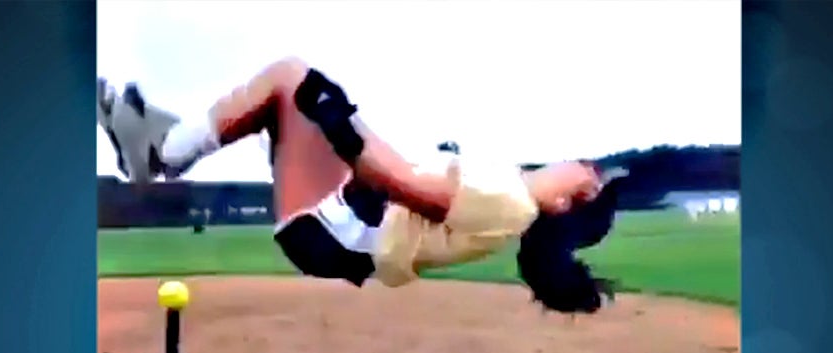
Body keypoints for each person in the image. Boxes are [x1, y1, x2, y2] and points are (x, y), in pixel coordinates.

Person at [98, 57, 628, 313]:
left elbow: (396, 182)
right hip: (343, 227)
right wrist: (337, 121)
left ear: (565, 202)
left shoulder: (510, 202)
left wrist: (339, 123)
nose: (582, 164)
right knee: (288, 99)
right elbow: (396, 178)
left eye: (587, 177)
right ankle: (161, 148)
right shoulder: (510, 196)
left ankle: (160, 153)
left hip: (332, 232)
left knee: (293, 82)